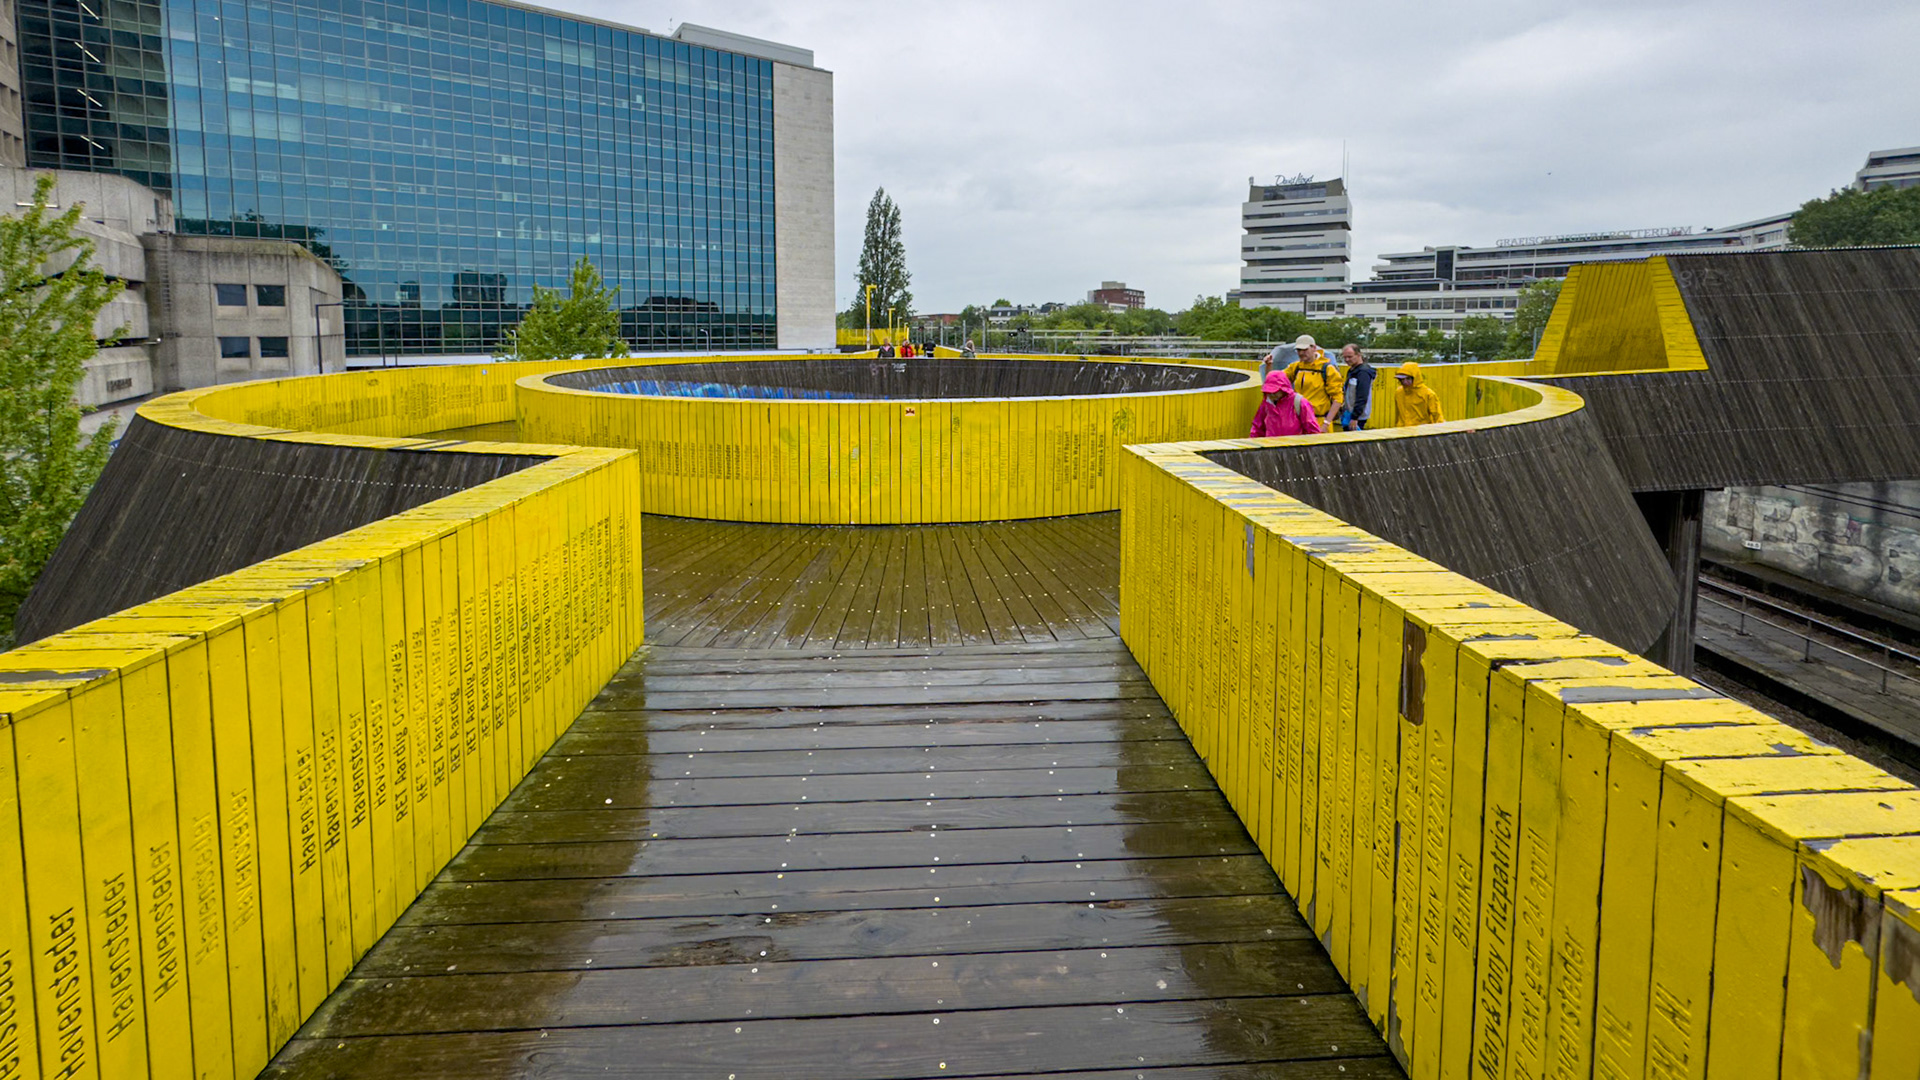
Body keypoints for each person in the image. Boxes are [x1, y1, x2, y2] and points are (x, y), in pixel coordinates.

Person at [1283, 334, 1344, 427]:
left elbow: (1338, 398)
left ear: (1314, 348)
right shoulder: (1295, 367)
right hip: (1298, 420)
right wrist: (1269, 366)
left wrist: (1326, 423)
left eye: (1305, 350)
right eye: (1299, 350)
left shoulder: (1328, 369)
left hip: (1319, 420)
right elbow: (1276, 381)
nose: (1301, 353)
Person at [1248, 371, 1324, 437]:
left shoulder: (1299, 402)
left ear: (1284, 389)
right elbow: (1257, 427)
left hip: (1295, 447)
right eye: (1269, 392)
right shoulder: (1267, 403)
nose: (1271, 394)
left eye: (1275, 391)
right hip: (1271, 447)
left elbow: (1313, 430)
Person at [1336, 344, 1377, 431]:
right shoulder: (1352, 370)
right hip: (1349, 413)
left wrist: (1355, 417)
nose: (1347, 360)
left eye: (1350, 357)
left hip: (1357, 417)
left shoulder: (1363, 372)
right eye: (1345, 357)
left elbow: (1362, 396)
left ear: (1358, 355)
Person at [1393, 361, 1445, 426]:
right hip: (1402, 429)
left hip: (1421, 430)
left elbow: (1437, 416)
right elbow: (1397, 415)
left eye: (1408, 379)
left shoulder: (1428, 394)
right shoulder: (1399, 392)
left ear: (1415, 377)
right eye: (1401, 379)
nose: (1405, 382)